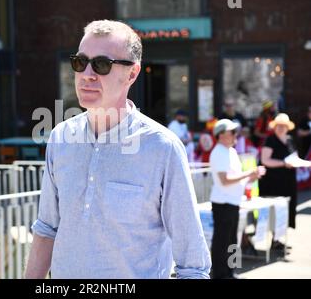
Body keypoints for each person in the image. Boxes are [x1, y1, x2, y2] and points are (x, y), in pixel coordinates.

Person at [24, 20, 211, 279]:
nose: (87, 73)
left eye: (101, 64)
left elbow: (193, 265)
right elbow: (47, 229)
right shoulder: (61, 138)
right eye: (80, 62)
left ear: (132, 74)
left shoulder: (162, 148)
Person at [209, 119, 265, 279]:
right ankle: (220, 274)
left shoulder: (231, 152)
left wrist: (252, 177)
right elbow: (225, 180)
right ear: (221, 135)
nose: (236, 135)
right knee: (222, 241)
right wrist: (249, 174)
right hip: (223, 203)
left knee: (232, 239)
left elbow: (237, 178)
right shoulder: (218, 152)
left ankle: (230, 272)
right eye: (232, 132)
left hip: (233, 201)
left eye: (235, 132)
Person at [259, 113, 298, 231]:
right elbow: (265, 160)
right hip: (272, 182)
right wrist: (283, 163)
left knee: (286, 209)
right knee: (274, 210)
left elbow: (294, 156)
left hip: (288, 181)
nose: (281, 128)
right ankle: (273, 240)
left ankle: (281, 239)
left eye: (283, 126)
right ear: (274, 127)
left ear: (287, 127)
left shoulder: (290, 140)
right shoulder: (270, 140)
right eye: (278, 125)